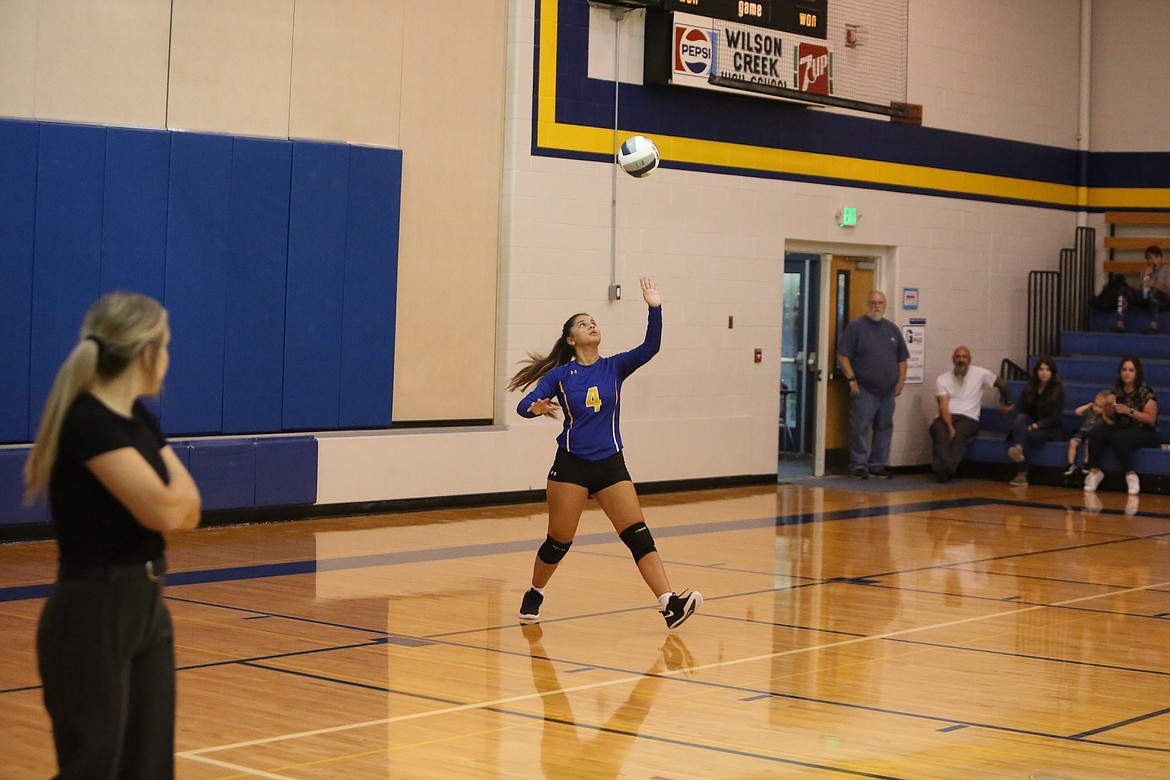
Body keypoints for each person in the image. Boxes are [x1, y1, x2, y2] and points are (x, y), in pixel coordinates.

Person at [22, 292, 202, 779]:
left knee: (148, 765)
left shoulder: (138, 419)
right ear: (146, 352)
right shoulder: (88, 423)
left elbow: (191, 506)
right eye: (165, 346)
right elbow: (165, 509)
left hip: (146, 602)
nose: (168, 357)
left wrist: (173, 506)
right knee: (94, 766)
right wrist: (173, 505)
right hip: (93, 610)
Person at [508, 277, 702, 629]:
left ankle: (669, 604)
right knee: (558, 542)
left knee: (637, 533)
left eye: (593, 321)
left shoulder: (614, 367)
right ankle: (535, 592)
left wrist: (654, 307)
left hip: (611, 463)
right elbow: (523, 404)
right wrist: (534, 408)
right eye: (583, 324)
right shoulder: (561, 375)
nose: (591, 325)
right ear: (571, 339)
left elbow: (650, 347)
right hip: (571, 467)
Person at [836, 290, 909, 479]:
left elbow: (902, 359)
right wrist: (851, 379)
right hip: (865, 389)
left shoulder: (892, 330)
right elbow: (843, 355)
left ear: (885, 306)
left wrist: (901, 381)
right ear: (867, 305)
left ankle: (877, 464)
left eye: (880, 303)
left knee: (885, 427)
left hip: (888, 391)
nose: (877, 306)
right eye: (873, 302)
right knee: (860, 427)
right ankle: (859, 464)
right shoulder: (856, 328)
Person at [929, 346, 1012, 483]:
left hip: (969, 418)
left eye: (964, 357)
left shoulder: (981, 373)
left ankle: (945, 469)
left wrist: (1007, 400)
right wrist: (949, 426)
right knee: (937, 430)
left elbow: (1000, 383)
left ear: (970, 359)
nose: (961, 360)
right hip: (947, 416)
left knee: (959, 435)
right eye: (958, 357)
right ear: (953, 359)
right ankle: (947, 469)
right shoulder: (942, 379)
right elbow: (943, 405)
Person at [1083, 356, 1159, 495]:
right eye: (1124, 369)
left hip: (1144, 430)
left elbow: (1151, 419)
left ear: (1136, 373)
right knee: (1095, 433)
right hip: (1122, 426)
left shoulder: (1145, 391)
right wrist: (1108, 405)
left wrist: (1130, 411)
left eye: (1131, 370)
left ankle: (1130, 475)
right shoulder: (1117, 389)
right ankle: (1095, 471)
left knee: (1119, 437)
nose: (1127, 373)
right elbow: (1111, 416)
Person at [1006, 356, 1066, 487]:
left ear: (1052, 372)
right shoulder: (1030, 387)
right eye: (1041, 369)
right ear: (1036, 371)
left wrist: (1036, 426)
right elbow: (1020, 408)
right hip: (1030, 422)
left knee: (1028, 436)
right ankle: (1019, 450)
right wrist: (1012, 413)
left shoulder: (1058, 390)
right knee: (1020, 417)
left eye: (1047, 369)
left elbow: (1054, 418)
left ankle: (1022, 471)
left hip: (1050, 428)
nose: (1044, 372)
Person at [1064, 390, 1115, 476]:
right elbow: (1077, 412)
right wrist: (1087, 406)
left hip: (1093, 434)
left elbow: (1110, 422)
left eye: (1100, 407)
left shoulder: (1105, 415)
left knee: (1090, 443)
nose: (1097, 409)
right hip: (1083, 431)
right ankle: (1071, 464)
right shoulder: (1090, 410)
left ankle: (1087, 462)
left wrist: (1104, 414)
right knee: (1073, 442)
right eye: (1096, 405)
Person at [1138, 245, 1169, 333]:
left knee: (1153, 292)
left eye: (1156, 257)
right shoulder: (1145, 271)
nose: (1154, 260)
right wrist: (1145, 276)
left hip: (1164, 301)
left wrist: (1154, 284)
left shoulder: (1167, 270)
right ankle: (1120, 323)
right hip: (1148, 300)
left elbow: (1169, 290)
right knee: (1124, 290)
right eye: (1150, 258)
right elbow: (1142, 293)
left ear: (1161, 258)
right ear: (1147, 260)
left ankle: (1153, 324)